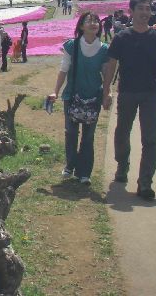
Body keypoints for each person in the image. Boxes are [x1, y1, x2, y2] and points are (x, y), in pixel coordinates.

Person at [103, 0, 156, 200]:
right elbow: (111, 65)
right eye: (141, 8)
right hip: (127, 92)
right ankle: (122, 164)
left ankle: (145, 182)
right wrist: (106, 91)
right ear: (131, 11)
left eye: (148, 9)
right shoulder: (122, 37)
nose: (145, 12)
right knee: (122, 132)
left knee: (150, 138)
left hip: (150, 93)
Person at [50, 12, 109, 184]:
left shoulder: (104, 49)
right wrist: (55, 91)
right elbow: (63, 70)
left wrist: (108, 93)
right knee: (71, 132)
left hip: (93, 97)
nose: (94, 23)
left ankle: (84, 172)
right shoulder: (72, 45)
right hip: (72, 95)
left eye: (96, 21)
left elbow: (106, 75)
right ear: (81, 26)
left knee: (88, 136)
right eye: (89, 21)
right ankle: (70, 165)